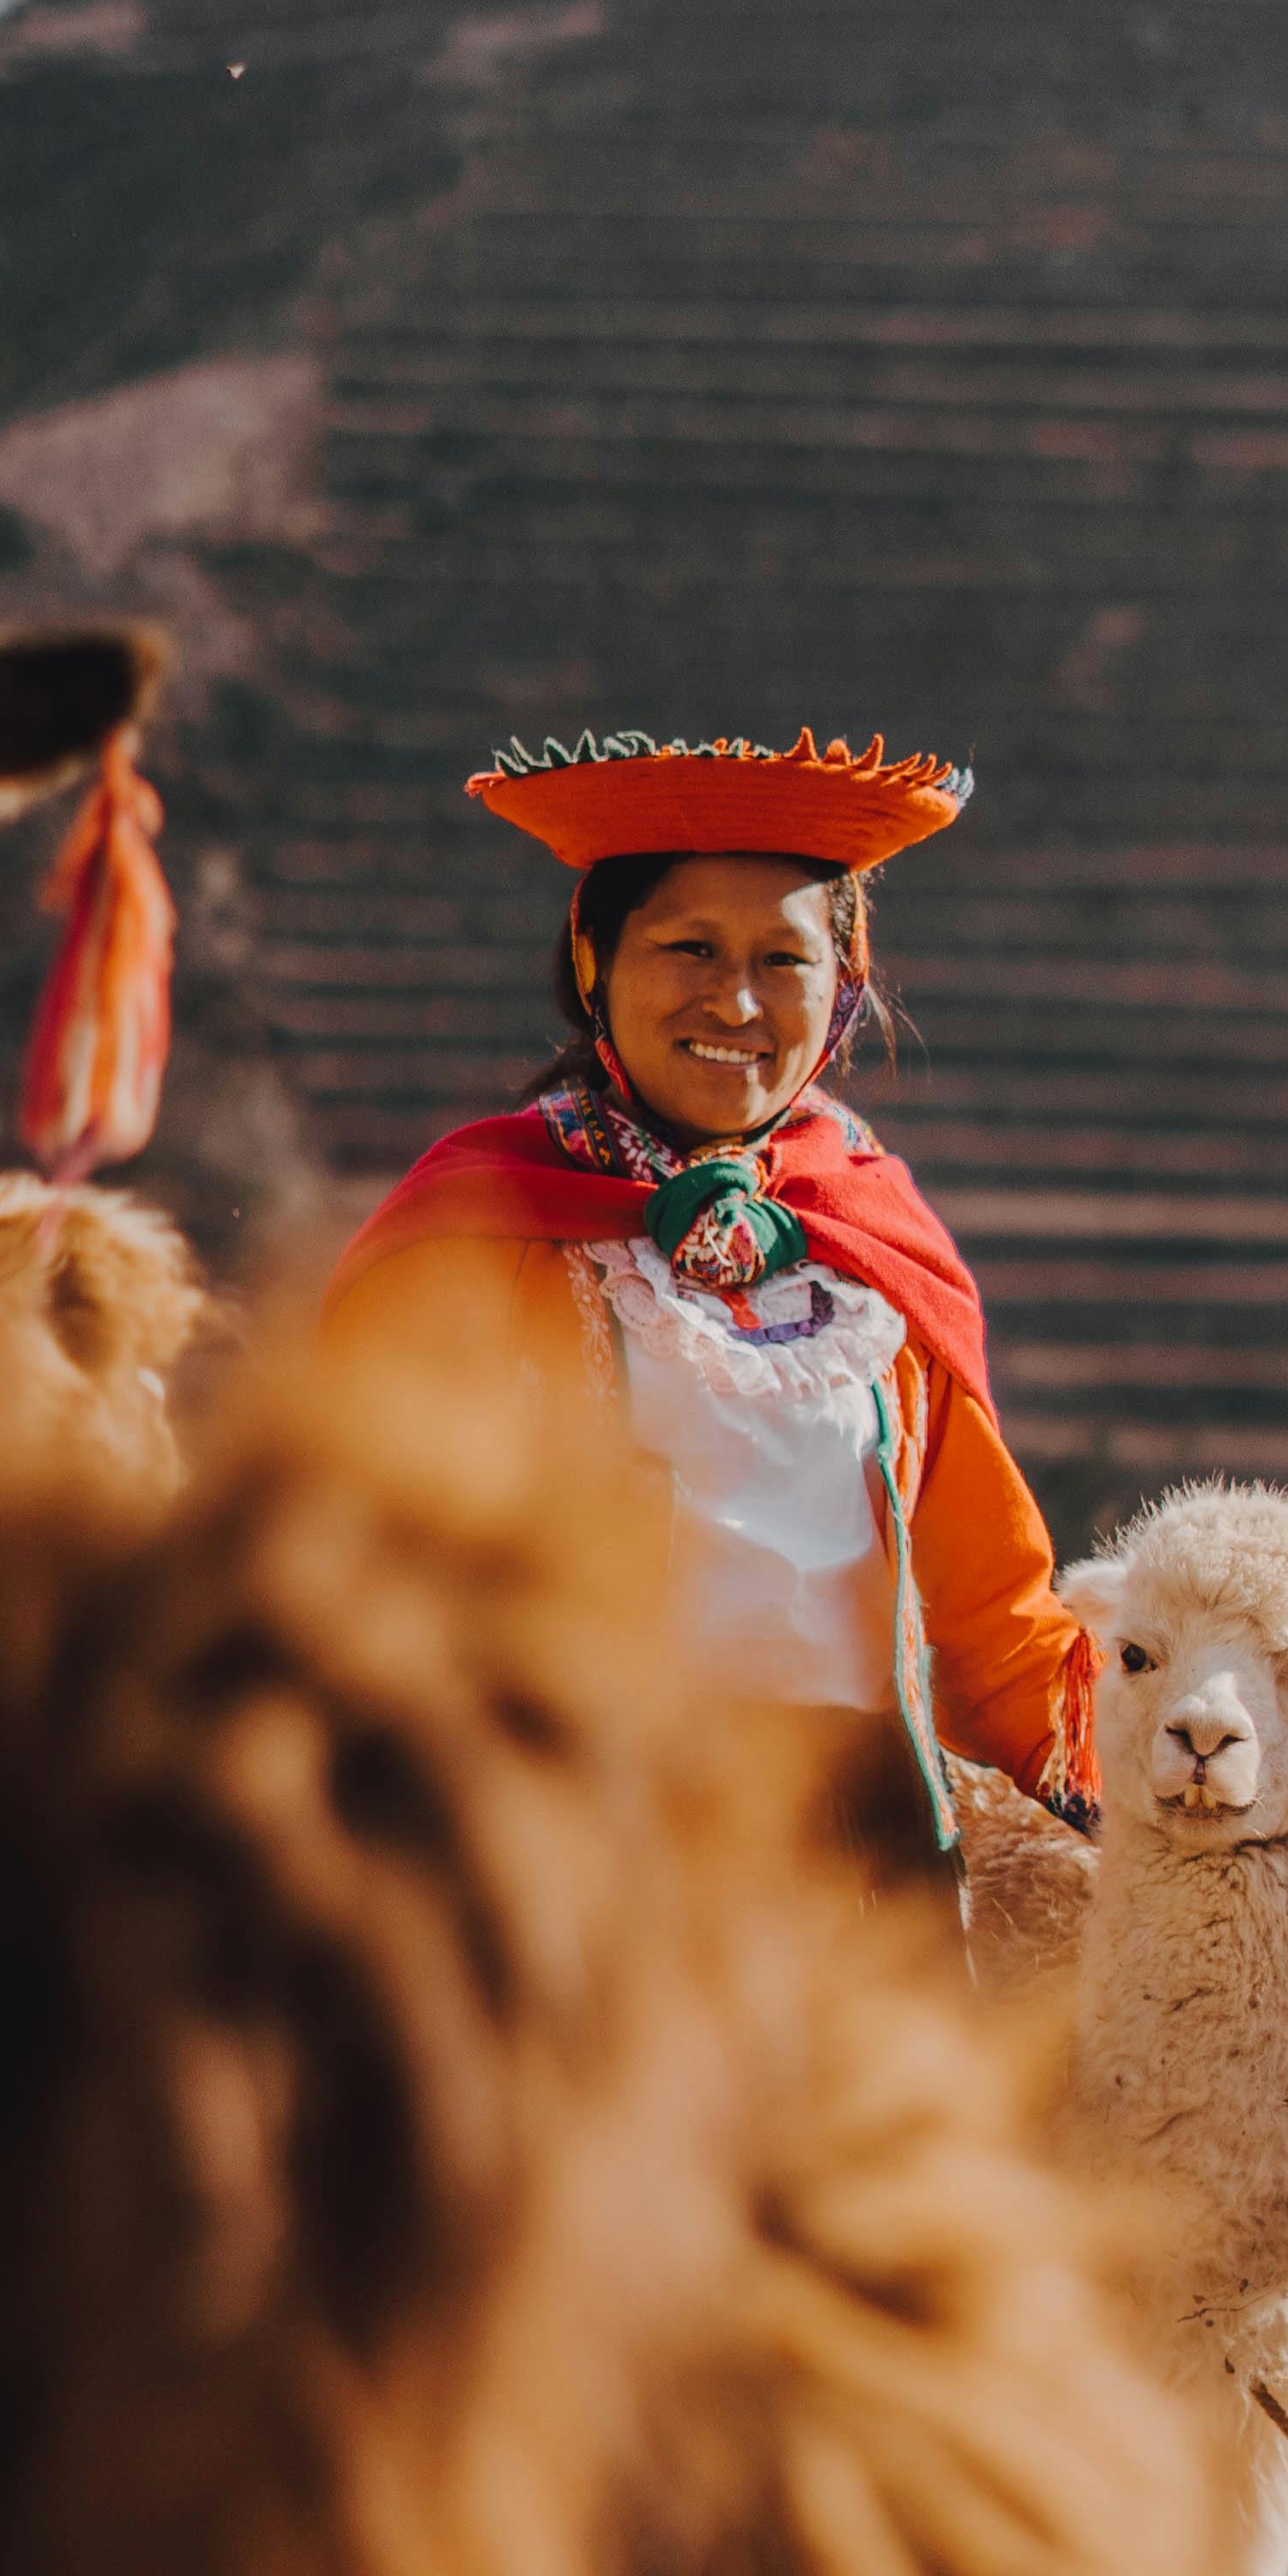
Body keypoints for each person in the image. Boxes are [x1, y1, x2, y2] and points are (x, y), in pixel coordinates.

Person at [324, 726, 1094, 1860]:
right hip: (577, 1847)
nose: (734, 1003)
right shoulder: (472, 1238)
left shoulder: (874, 1239)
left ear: (845, 986)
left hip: (856, 1863)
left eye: (781, 960)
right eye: (687, 947)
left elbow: (995, 1624)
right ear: (593, 960)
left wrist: (1184, 1811)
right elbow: (346, 1569)